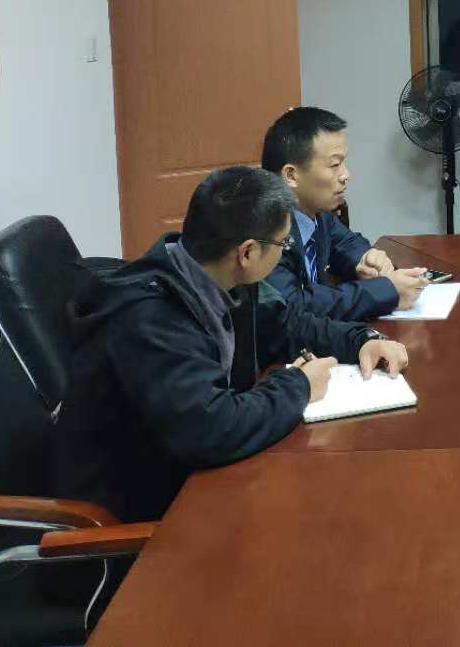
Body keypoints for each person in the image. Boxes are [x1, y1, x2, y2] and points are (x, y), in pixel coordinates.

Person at [57, 166, 409, 521]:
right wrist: (299, 385)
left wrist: (361, 340)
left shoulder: (215, 274)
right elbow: (212, 429)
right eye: (284, 244)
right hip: (143, 512)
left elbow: (288, 325)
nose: (285, 252)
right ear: (247, 253)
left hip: (192, 476)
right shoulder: (151, 318)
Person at [260, 107, 428, 320]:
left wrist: (366, 259)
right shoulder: (264, 230)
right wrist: (384, 292)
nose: (346, 175)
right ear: (291, 176)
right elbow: (294, 305)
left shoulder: (317, 214)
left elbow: (347, 243)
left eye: (344, 163)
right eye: (334, 165)